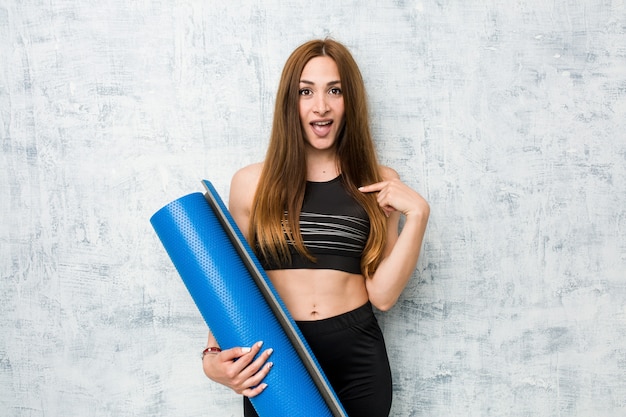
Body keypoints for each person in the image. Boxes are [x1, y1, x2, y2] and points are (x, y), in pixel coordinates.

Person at [201, 38, 430, 417]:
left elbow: (383, 296)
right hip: (275, 354)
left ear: (349, 102)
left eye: (334, 91)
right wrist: (212, 356)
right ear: (290, 103)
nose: (320, 105)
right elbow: (230, 280)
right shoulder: (249, 183)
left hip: (357, 358)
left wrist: (418, 216)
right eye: (305, 91)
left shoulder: (379, 182)